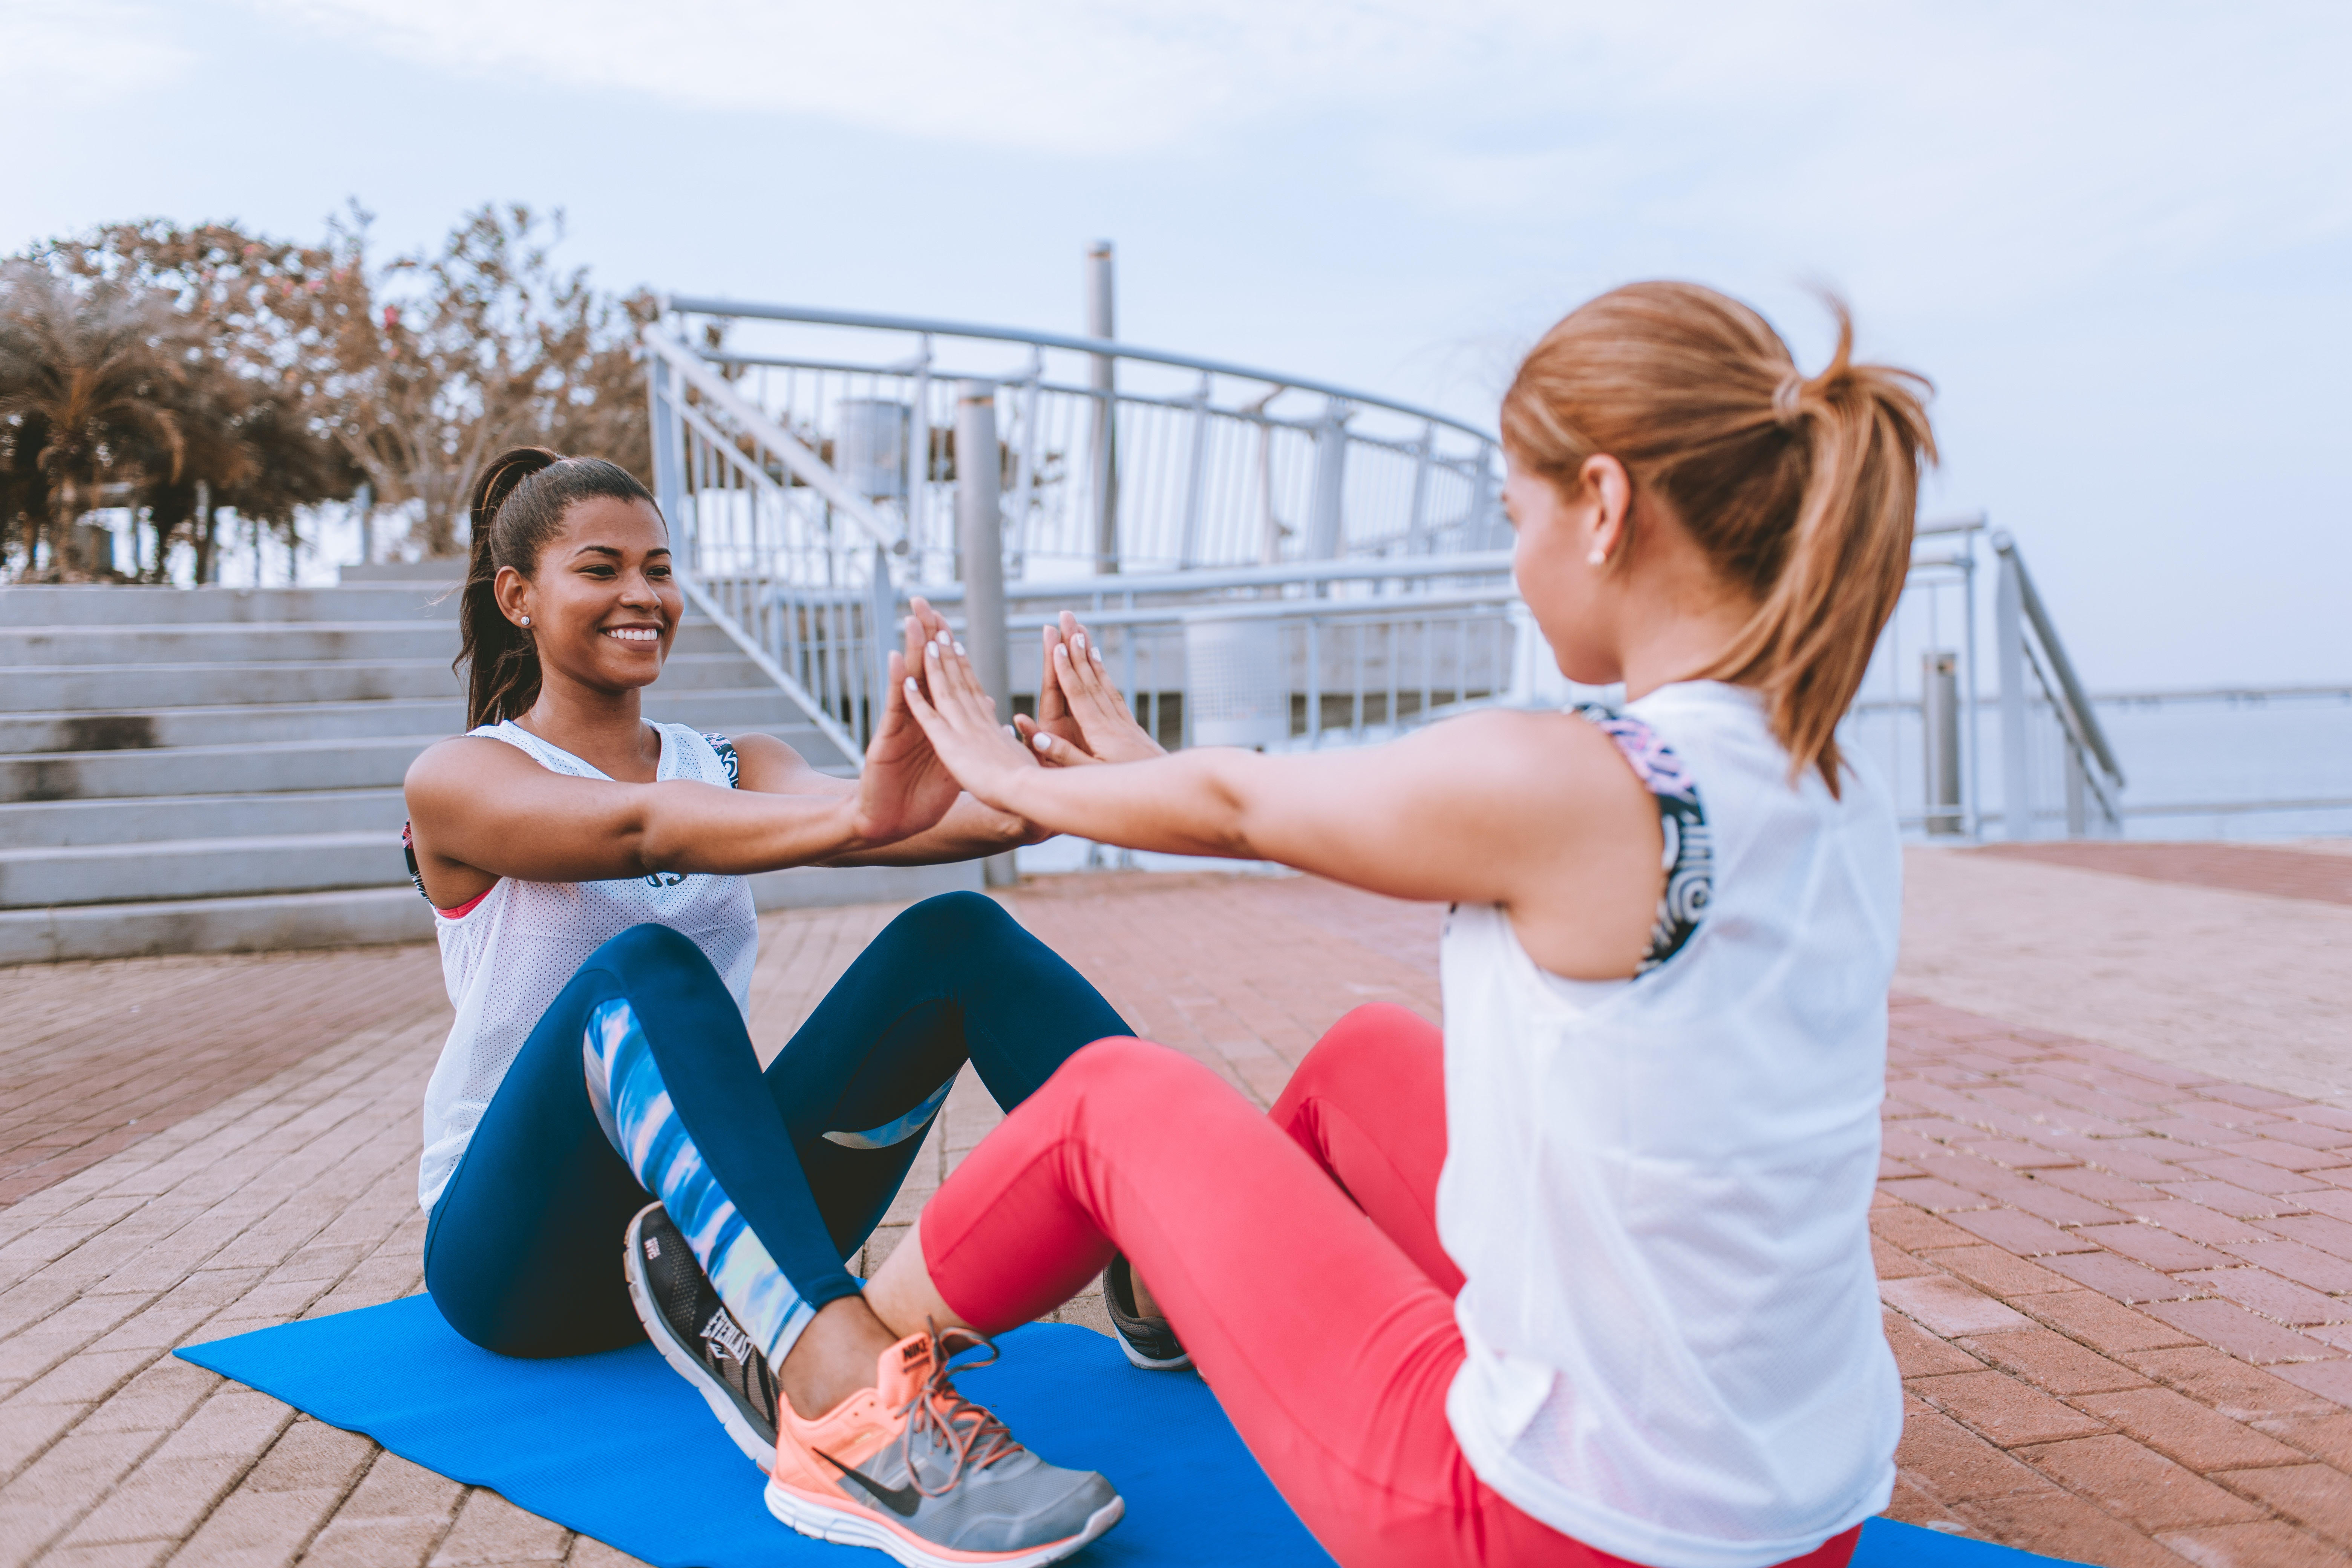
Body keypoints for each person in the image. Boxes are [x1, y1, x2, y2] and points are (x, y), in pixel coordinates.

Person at [854, 282, 1934, 1568]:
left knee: (1114, 1101)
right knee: (1366, 1058)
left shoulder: (1579, 780)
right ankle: (1173, 1303)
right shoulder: (1822, 773)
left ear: (1603, 504)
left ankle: (845, 1395)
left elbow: (1247, 806)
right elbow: (1282, 807)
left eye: (1514, 513)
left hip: (1537, 1526)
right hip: (1798, 1525)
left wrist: (1017, 777)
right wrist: (1142, 769)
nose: (1515, 556)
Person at [401, 446, 1171, 1568]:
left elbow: (900, 821)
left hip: (717, 1234)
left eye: (658, 569)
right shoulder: (460, 779)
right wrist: (867, 812)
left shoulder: (731, 758)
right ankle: (843, 1413)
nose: (640, 597)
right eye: (600, 569)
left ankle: (1168, 1267)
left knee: (957, 935)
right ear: (518, 596)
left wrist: (1046, 788)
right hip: (519, 1259)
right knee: (646, 967)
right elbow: (640, 829)